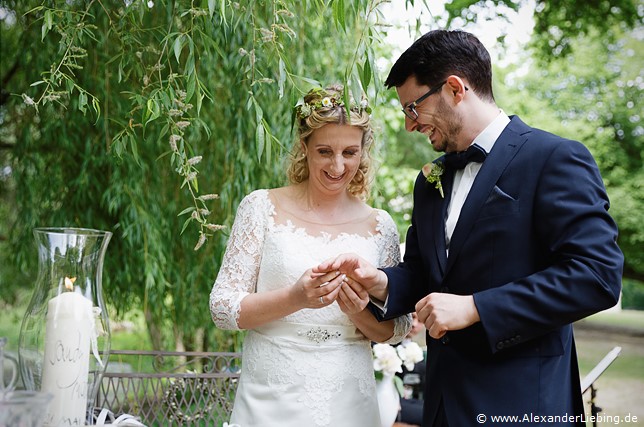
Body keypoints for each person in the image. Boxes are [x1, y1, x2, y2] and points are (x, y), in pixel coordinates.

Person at [315, 30, 624, 426]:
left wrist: (476, 307)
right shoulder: (430, 181)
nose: (410, 125)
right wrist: (380, 282)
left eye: (413, 108)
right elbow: (425, 274)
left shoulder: (554, 158)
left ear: (455, 88)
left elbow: (596, 276)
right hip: (444, 404)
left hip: (522, 403)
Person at [209, 84, 412, 427]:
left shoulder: (381, 225)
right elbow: (222, 308)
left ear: (364, 151)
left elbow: (397, 329)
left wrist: (359, 312)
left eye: (350, 152)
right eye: (324, 151)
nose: (337, 165)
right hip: (271, 393)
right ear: (304, 147)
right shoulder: (261, 207)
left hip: (349, 396)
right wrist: (295, 297)